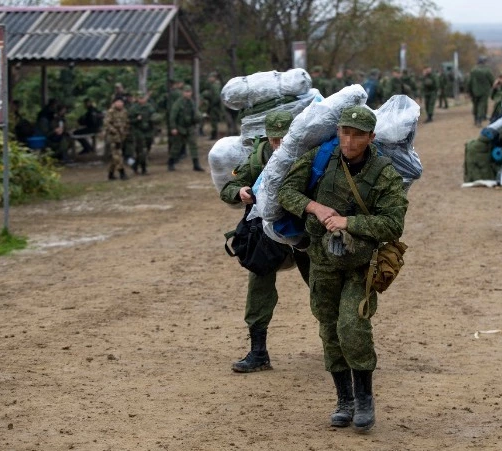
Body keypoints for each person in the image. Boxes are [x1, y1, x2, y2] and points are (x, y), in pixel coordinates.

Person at [278, 106, 408, 432]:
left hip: (360, 265)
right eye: (344, 133)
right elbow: (286, 191)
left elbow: (393, 224)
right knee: (329, 327)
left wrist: (349, 222)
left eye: (357, 135)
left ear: (371, 137)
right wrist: (315, 207)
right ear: (337, 132)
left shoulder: (383, 174)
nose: (349, 141)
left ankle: (364, 399)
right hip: (322, 262)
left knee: (352, 327)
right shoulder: (322, 159)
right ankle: (344, 399)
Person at [220, 111, 310, 373]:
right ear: (268, 138)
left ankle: (337, 346)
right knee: (259, 285)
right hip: (268, 235)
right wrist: (240, 192)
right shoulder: (259, 158)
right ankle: (258, 352)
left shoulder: (308, 153)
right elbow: (228, 189)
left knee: (322, 286)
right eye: (274, 140)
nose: (279, 145)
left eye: (284, 139)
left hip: (304, 232)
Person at [168, 85, 203, 172]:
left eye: (189, 92)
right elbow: (172, 116)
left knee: (193, 145)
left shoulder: (192, 103)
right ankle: (171, 163)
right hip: (180, 128)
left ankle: (196, 164)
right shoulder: (178, 103)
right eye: (186, 92)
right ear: (183, 93)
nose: (188, 94)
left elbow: (195, 113)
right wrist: (173, 128)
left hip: (190, 127)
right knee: (176, 146)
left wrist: (198, 118)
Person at [128, 91, 156, 175]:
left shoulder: (149, 107)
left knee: (147, 148)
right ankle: (143, 168)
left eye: (143, 98)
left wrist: (155, 119)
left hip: (148, 131)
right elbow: (129, 121)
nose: (142, 100)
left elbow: (154, 116)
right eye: (140, 98)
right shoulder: (134, 108)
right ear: (137, 99)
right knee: (142, 150)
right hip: (138, 131)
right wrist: (137, 119)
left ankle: (135, 165)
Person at [104, 97, 129, 180]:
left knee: (114, 157)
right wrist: (114, 131)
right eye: (118, 102)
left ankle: (110, 173)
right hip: (113, 137)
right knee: (117, 155)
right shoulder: (110, 112)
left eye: (121, 102)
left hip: (121, 136)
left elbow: (126, 122)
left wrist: (125, 132)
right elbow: (107, 124)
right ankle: (122, 172)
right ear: (114, 103)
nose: (120, 104)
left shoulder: (124, 111)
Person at [468, 56, 494, 127]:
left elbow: (469, 81)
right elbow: (492, 80)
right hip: (484, 91)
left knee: (475, 105)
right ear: (484, 62)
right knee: (481, 105)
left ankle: (475, 119)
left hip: (474, 91)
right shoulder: (487, 70)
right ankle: (479, 120)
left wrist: (469, 90)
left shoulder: (473, 70)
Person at [202, 72, 223, 140]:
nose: (209, 79)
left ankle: (214, 135)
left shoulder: (215, 85)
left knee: (214, 120)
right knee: (214, 120)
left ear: (214, 78)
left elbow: (216, 96)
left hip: (214, 106)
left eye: (210, 77)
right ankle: (214, 135)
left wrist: (212, 104)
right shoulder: (215, 85)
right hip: (215, 105)